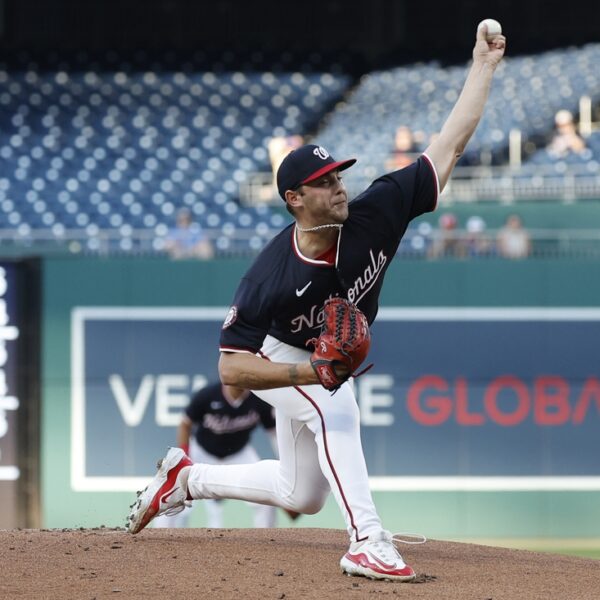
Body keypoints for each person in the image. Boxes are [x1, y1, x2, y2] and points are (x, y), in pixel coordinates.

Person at [127, 22, 507, 582]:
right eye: (326, 181)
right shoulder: (269, 275)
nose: (339, 187)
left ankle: (186, 479)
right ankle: (367, 541)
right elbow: (231, 365)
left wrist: (484, 66)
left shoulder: (376, 211)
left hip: (316, 357)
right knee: (337, 403)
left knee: (300, 493)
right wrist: (311, 371)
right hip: (287, 354)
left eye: (339, 176)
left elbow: (448, 145)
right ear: (295, 199)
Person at [152, 382, 281, 529]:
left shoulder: (258, 399)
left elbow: (274, 433)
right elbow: (185, 424)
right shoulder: (208, 395)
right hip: (202, 452)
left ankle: (267, 537)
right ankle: (160, 533)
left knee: (265, 491)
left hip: (239, 454)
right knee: (174, 489)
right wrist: (184, 457)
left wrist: (286, 464)